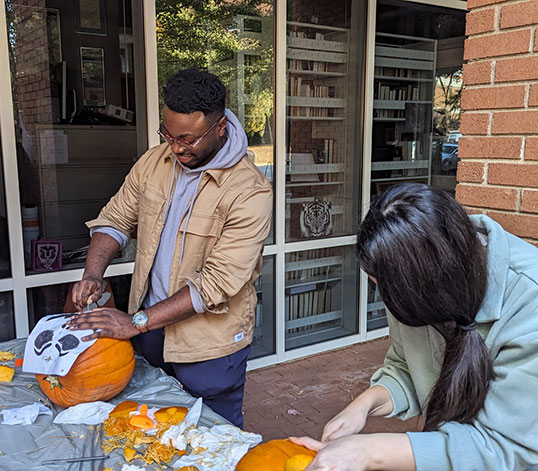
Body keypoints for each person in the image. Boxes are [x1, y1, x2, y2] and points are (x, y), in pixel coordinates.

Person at [67, 68, 273, 428]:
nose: (176, 147)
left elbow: (215, 284)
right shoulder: (154, 162)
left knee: (213, 439)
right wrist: (93, 275)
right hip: (150, 331)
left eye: (188, 139)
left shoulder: (250, 191)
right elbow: (115, 218)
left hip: (209, 345)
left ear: (220, 127)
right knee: (151, 430)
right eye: (168, 134)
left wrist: (134, 322)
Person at [291, 183, 538, 471]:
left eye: (391, 291)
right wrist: (365, 404)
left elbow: (506, 448)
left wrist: (371, 451)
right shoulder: (407, 269)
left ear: (432, 284)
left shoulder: (529, 305)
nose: (386, 299)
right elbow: (412, 365)